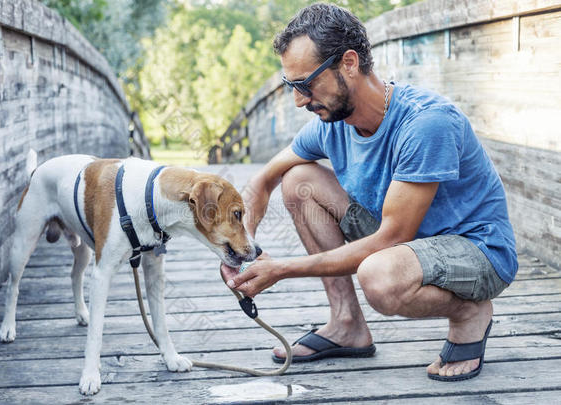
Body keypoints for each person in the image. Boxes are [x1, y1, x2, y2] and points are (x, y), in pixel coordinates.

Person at [220, 3, 517, 381]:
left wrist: (281, 269)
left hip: (477, 250)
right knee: (299, 181)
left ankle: (469, 312)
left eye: (305, 84)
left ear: (348, 63)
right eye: (290, 86)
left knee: (379, 275)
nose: (298, 100)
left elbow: (391, 238)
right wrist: (241, 247)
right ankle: (346, 324)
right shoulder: (332, 122)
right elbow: (264, 180)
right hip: (406, 244)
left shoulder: (426, 123)